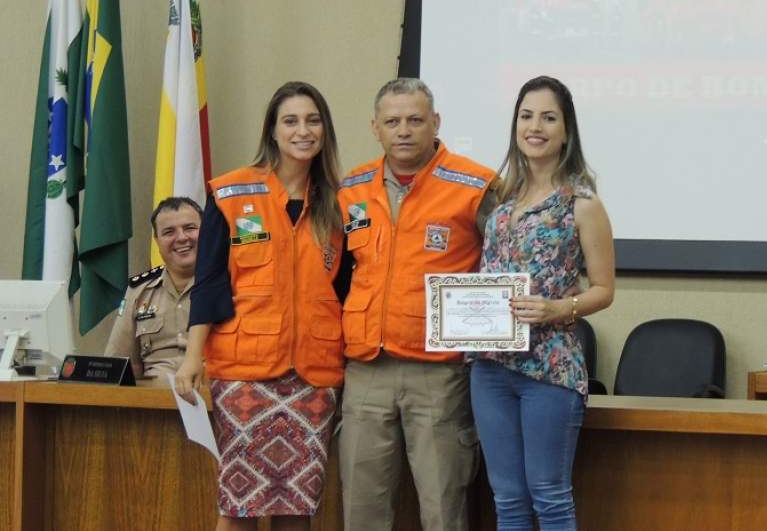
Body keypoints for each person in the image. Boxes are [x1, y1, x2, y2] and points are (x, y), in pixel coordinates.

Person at [174, 81, 346, 531]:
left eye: (313, 120)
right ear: (272, 130)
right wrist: (193, 357)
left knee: (298, 506)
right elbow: (209, 281)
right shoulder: (231, 193)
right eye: (290, 121)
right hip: (245, 376)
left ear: (325, 131)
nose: (302, 130)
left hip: (313, 378)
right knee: (239, 504)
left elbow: (346, 290)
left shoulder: (340, 204)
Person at [337, 77, 498, 531]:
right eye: (392, 121)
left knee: (443, 507)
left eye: (414, 120)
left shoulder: (476, 186)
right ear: (376, 127)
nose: (403, 130)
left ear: (436, 123)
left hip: (439, 374)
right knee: (362, 507)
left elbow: (506, 269)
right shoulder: (351, 188)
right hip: (366, 370)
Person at [467, 75, 615, 530]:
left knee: (549, 496)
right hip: (490, 368)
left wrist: (557, 310)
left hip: (549, 368)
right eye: (527, 116)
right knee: (507, 499)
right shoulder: (499, 198)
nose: (536, 126)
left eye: (549, 117)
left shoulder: (581, 204)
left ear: (566, 130)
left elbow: (604, 290)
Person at [104, 196, 202, 379]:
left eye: (190, 228)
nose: (181, 238)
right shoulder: (138, 291)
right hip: (155, 398)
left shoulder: (229, 285)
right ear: (157, 241)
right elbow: (120, 364)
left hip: (211, 394)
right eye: (169, 232)